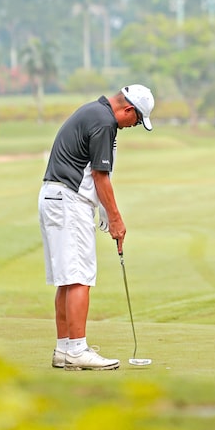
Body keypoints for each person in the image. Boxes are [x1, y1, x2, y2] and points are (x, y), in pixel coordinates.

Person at [38, 85, 155, 371]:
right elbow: (100, 176)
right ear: (128, 110)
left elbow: (94, 171)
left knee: (67, 277)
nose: (133, 126)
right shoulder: (104, 122)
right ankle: (77, 349)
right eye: (137, 121)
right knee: (79, 277)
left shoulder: (94, 111)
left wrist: (103, 209)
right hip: (69, 201)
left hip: (54, 196)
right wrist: (115, 218)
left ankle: (65, 349)